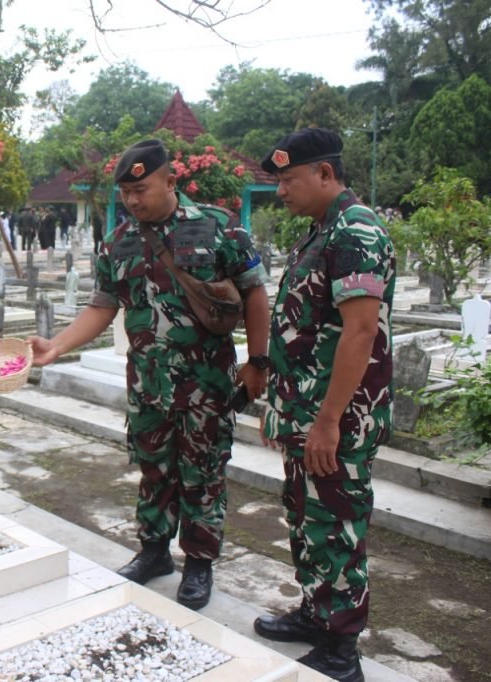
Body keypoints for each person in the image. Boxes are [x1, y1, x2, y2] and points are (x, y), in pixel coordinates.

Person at [27, 139, 270, 610]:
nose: (133, 201)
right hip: (148, 385)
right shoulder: (119, 241)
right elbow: (103, 305)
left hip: (206, 384)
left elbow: (255, 295)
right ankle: (154, 551)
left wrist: (256, 362)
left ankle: (198, 563)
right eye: (127, 193)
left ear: (170, 181)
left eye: (141, 189)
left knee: (203, 472)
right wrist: (56, 344)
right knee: (154, 470)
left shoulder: (218, 228)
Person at [253, 128, 395, 682]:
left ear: (325, 174)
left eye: (288, 180)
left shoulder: (356, 231)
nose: (281, 191)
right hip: (305, 414)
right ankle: (317, 615)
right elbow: (306, 332)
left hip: (338, 419)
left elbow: (359, 334)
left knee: (337, 527)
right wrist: (281, 408)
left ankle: (341, 651)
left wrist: (328, 422)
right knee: (308, 519)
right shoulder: (322, 231)